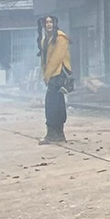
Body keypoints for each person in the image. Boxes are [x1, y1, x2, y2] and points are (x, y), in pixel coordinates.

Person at [37, 14, 71, 144]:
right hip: (51, 75)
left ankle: (55, 134)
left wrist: (47, 75)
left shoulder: (60, 37)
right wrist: (44, 75)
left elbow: (56, 59)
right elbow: (44, 60)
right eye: (46, 22)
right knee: (53, 104)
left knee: (55, 104)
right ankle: (55, 134)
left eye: (51, 22)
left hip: (58, 75)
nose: (48, 24)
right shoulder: (45, 40)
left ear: (55, 23)